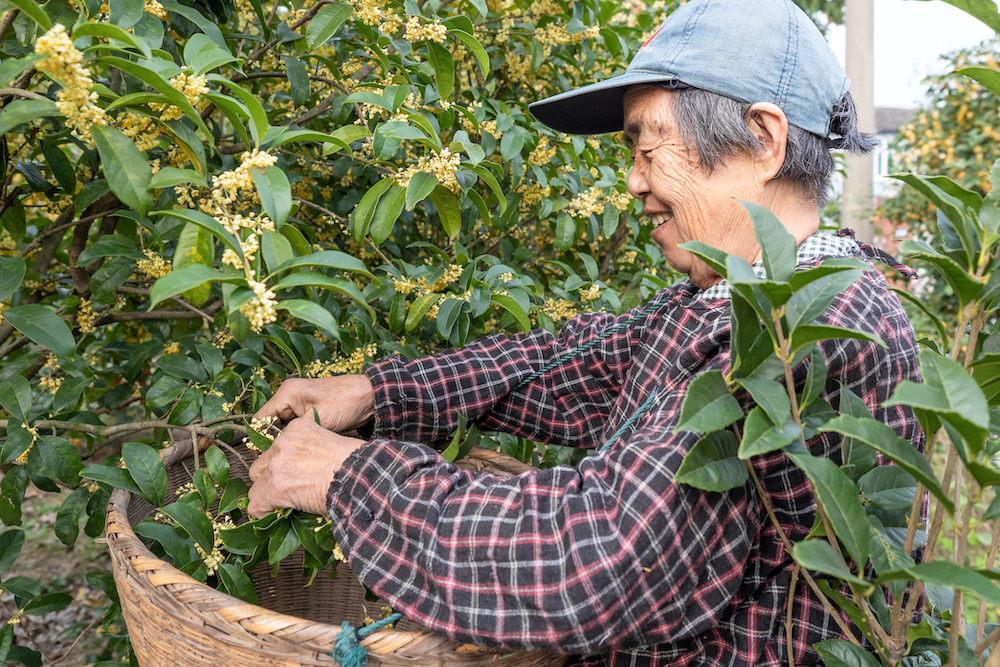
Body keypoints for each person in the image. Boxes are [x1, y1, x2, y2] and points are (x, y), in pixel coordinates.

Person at [246, 0, 923, 664]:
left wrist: (345, 475)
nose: (631, 181)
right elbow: (575, 361)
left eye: (648, 145)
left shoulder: (803, 327)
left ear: (763, 140)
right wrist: (375, 391)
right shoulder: (728, 295)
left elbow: (593, 558)